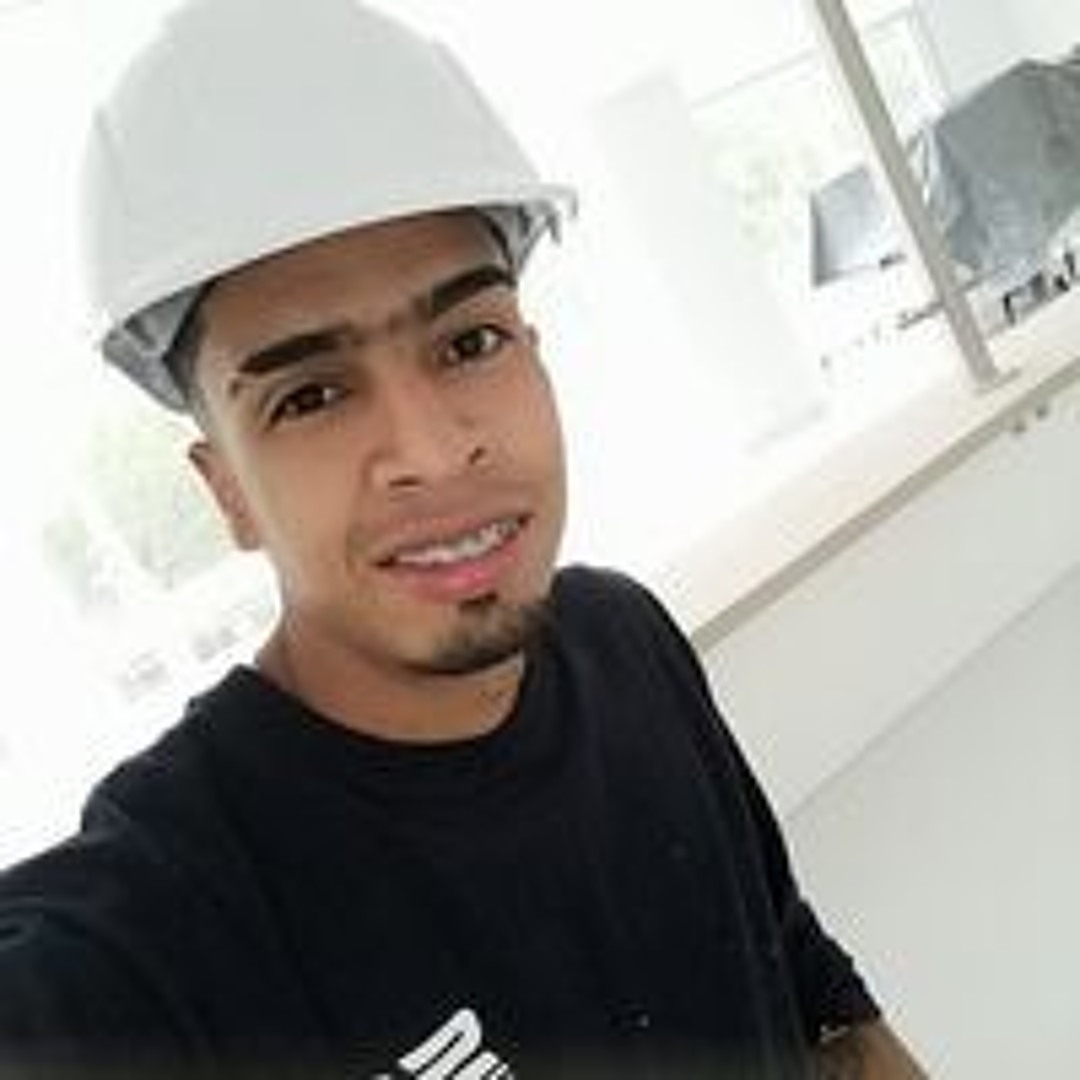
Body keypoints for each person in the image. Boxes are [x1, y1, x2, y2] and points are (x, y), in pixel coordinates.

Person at [0, 0, 930, 1076]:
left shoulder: (625, 638)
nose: (433, 453)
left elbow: (810, 991)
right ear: (229, 493)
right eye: (311, 396)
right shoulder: (175, 915)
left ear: (534, 350)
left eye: (470, 341)